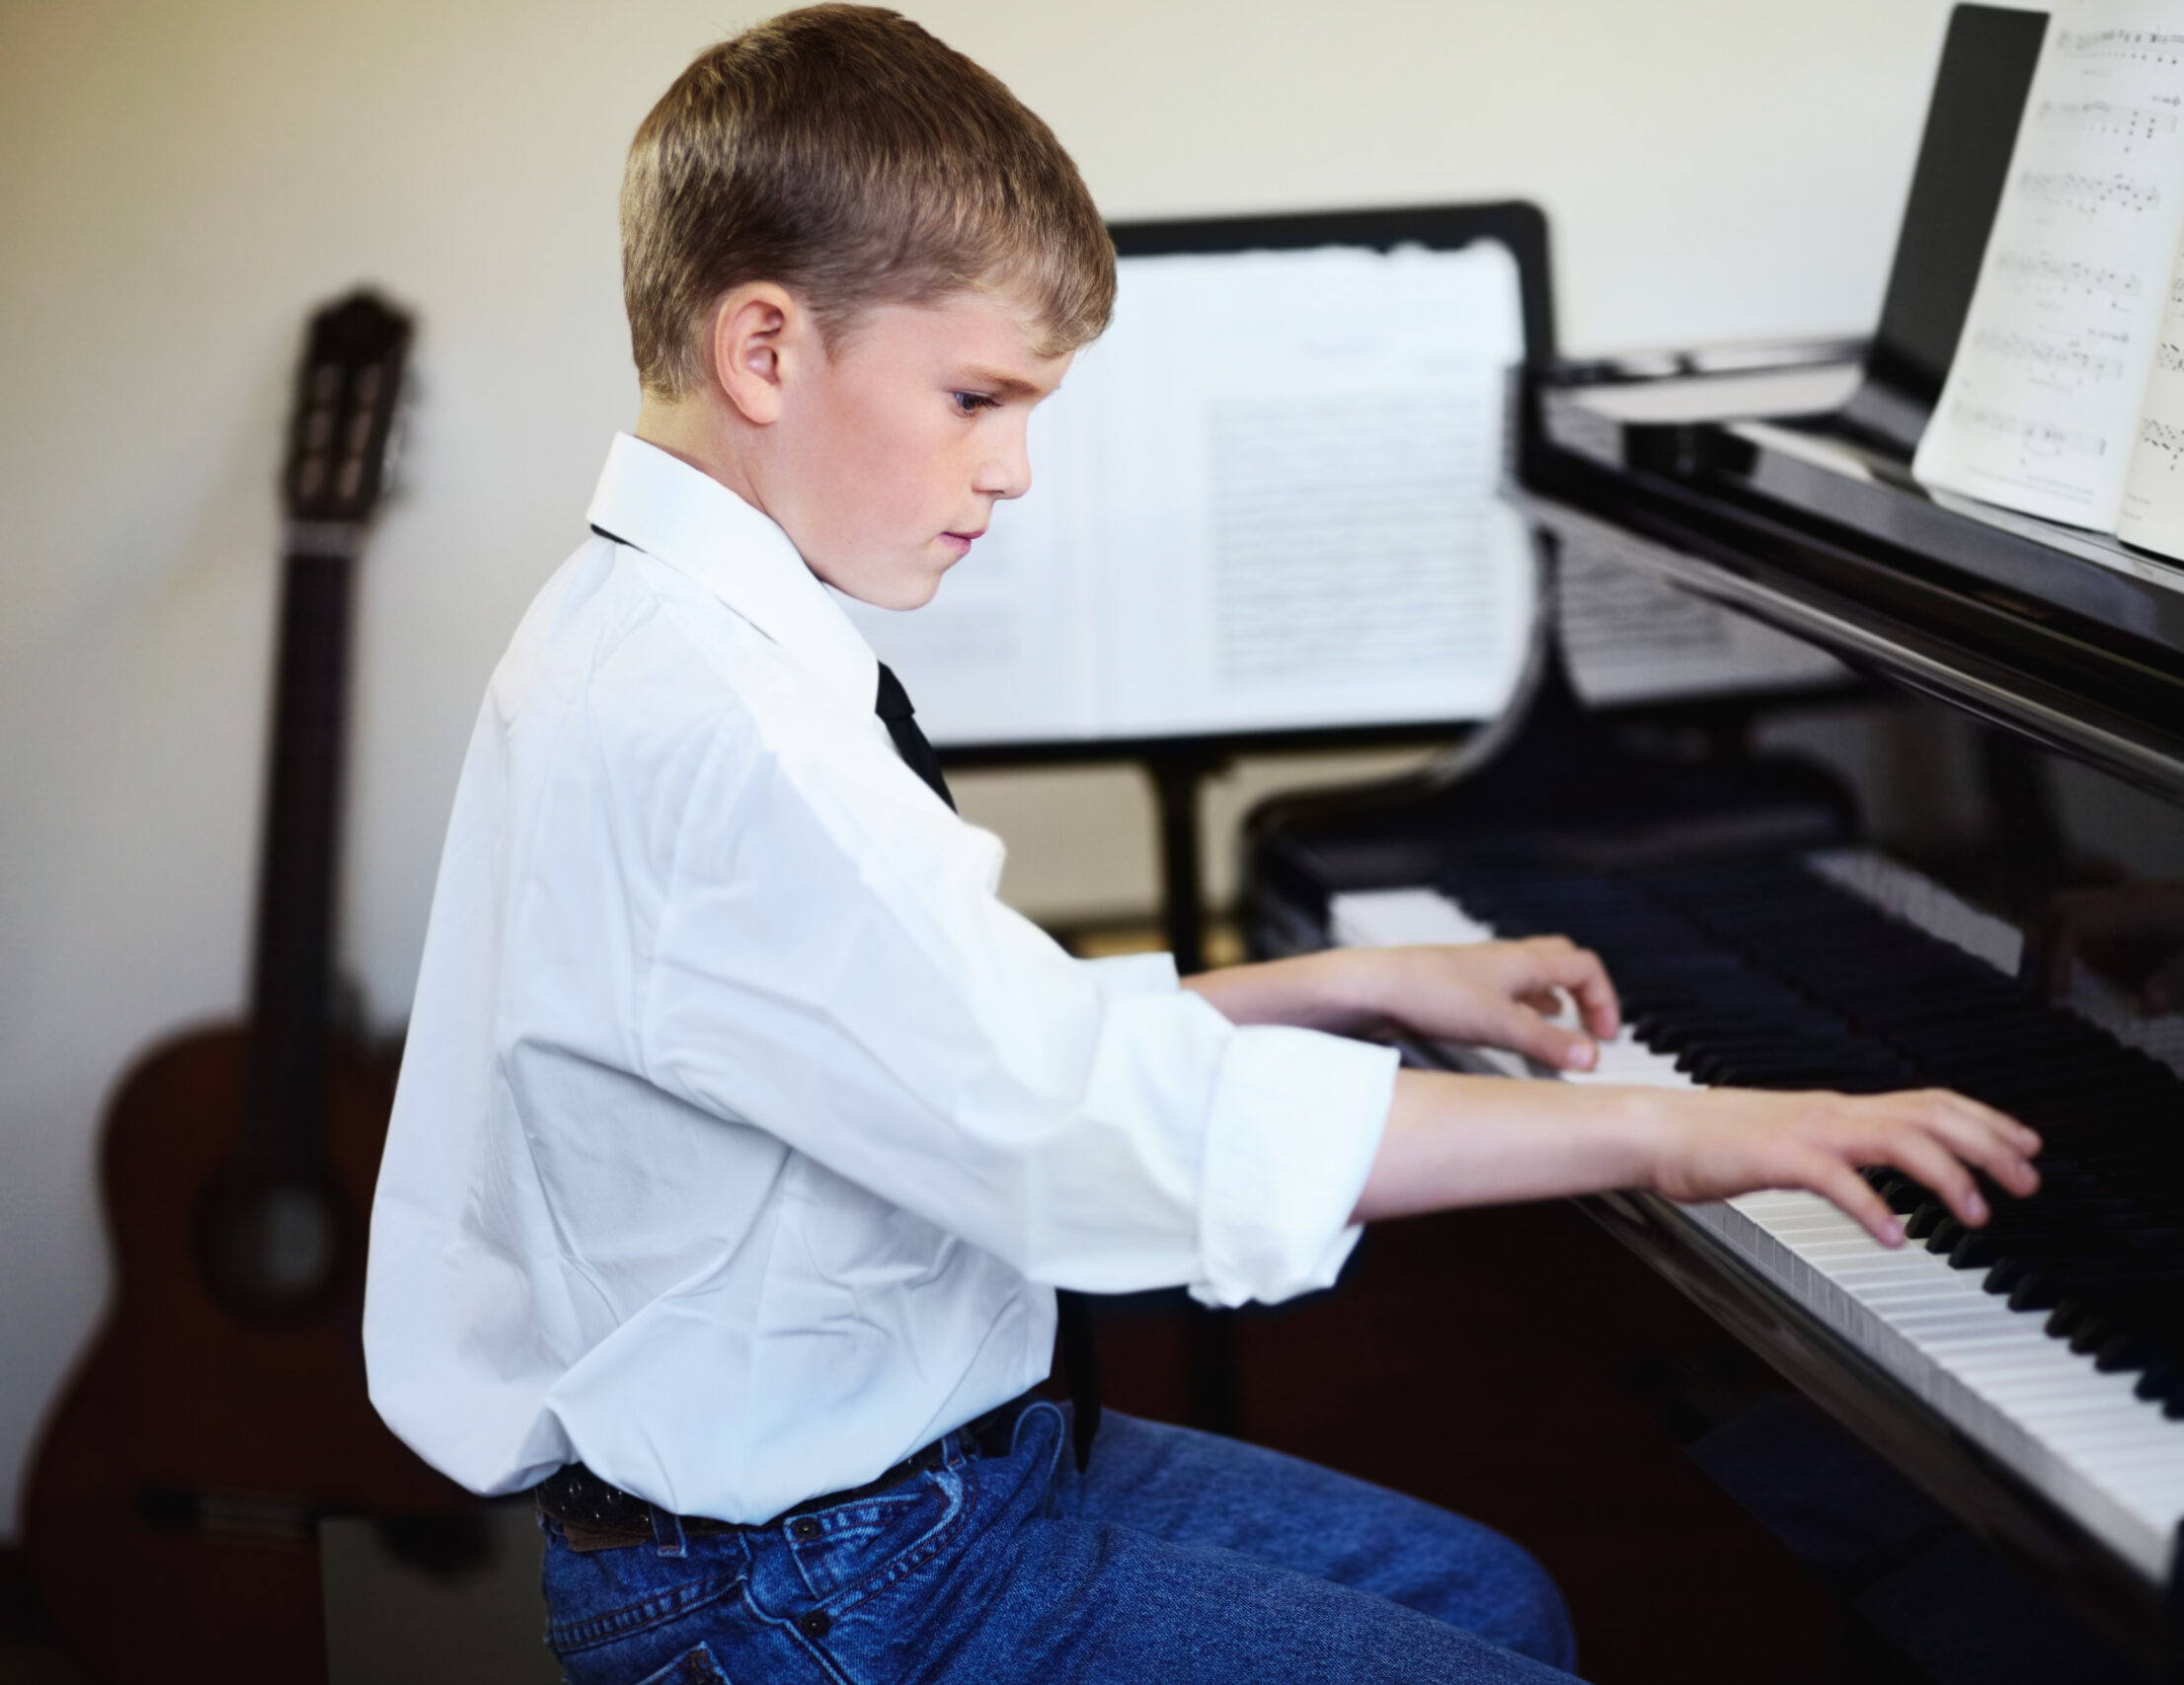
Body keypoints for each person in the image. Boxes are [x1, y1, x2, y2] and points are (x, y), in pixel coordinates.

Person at [362, 9, 2040, 1680]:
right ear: (766, 351)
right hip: (812, 1594)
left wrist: (1345, 982)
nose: (1013, 470)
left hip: (909, 1497)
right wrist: (1674, 1137)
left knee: (1494, 1603)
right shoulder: (715, 732)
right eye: (974, 397)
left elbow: (957, 1045)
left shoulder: (664, 633)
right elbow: (1070, 1133)